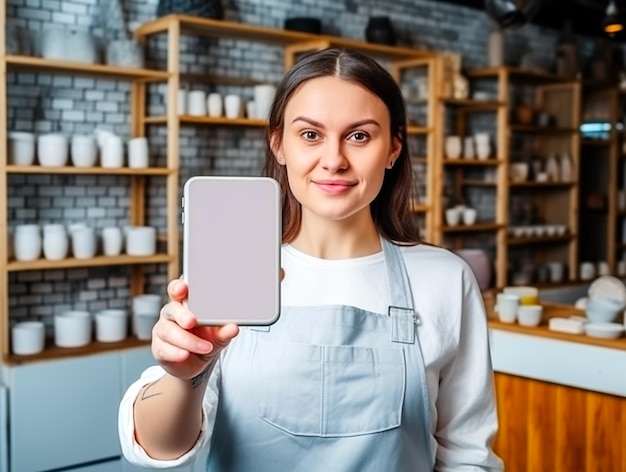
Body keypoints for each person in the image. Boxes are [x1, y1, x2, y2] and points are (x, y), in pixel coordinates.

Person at [119, 47, 503, 471]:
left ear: (393, 149)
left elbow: (468, 456)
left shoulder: (445, 280)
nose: (334, 160)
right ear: (278, 144)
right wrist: (186, 375)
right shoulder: (230, 268)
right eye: (310, 135)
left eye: (359, 136)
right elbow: (160, 448)